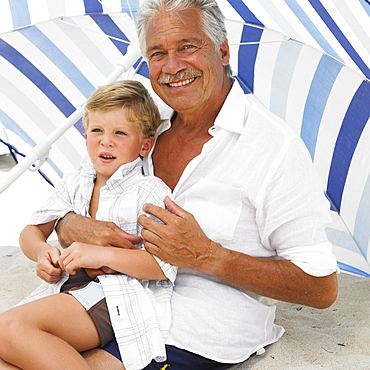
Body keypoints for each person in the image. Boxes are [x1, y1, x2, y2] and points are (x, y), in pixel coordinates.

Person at [12, 0, 339, 368]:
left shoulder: (274, 149)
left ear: (223, 50)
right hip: (110, 297)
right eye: (157, 53)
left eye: (187, 46)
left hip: (194, 324)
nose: (172, 66)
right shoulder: (139, 125)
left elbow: (321, 287)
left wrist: (208, 256)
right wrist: (70, 225)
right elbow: (81, 195)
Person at [0, 80, 177, 370]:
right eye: (97, 131)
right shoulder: (75, 183)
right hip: (70, 290)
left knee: (9, 327)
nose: (106, 141)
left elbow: (165, 264)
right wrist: (42, 252)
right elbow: (31, 231)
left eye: (120, 133)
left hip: (113, 297)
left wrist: (102, 255)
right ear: (85, 136)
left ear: (145, 144)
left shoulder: (149, 192)